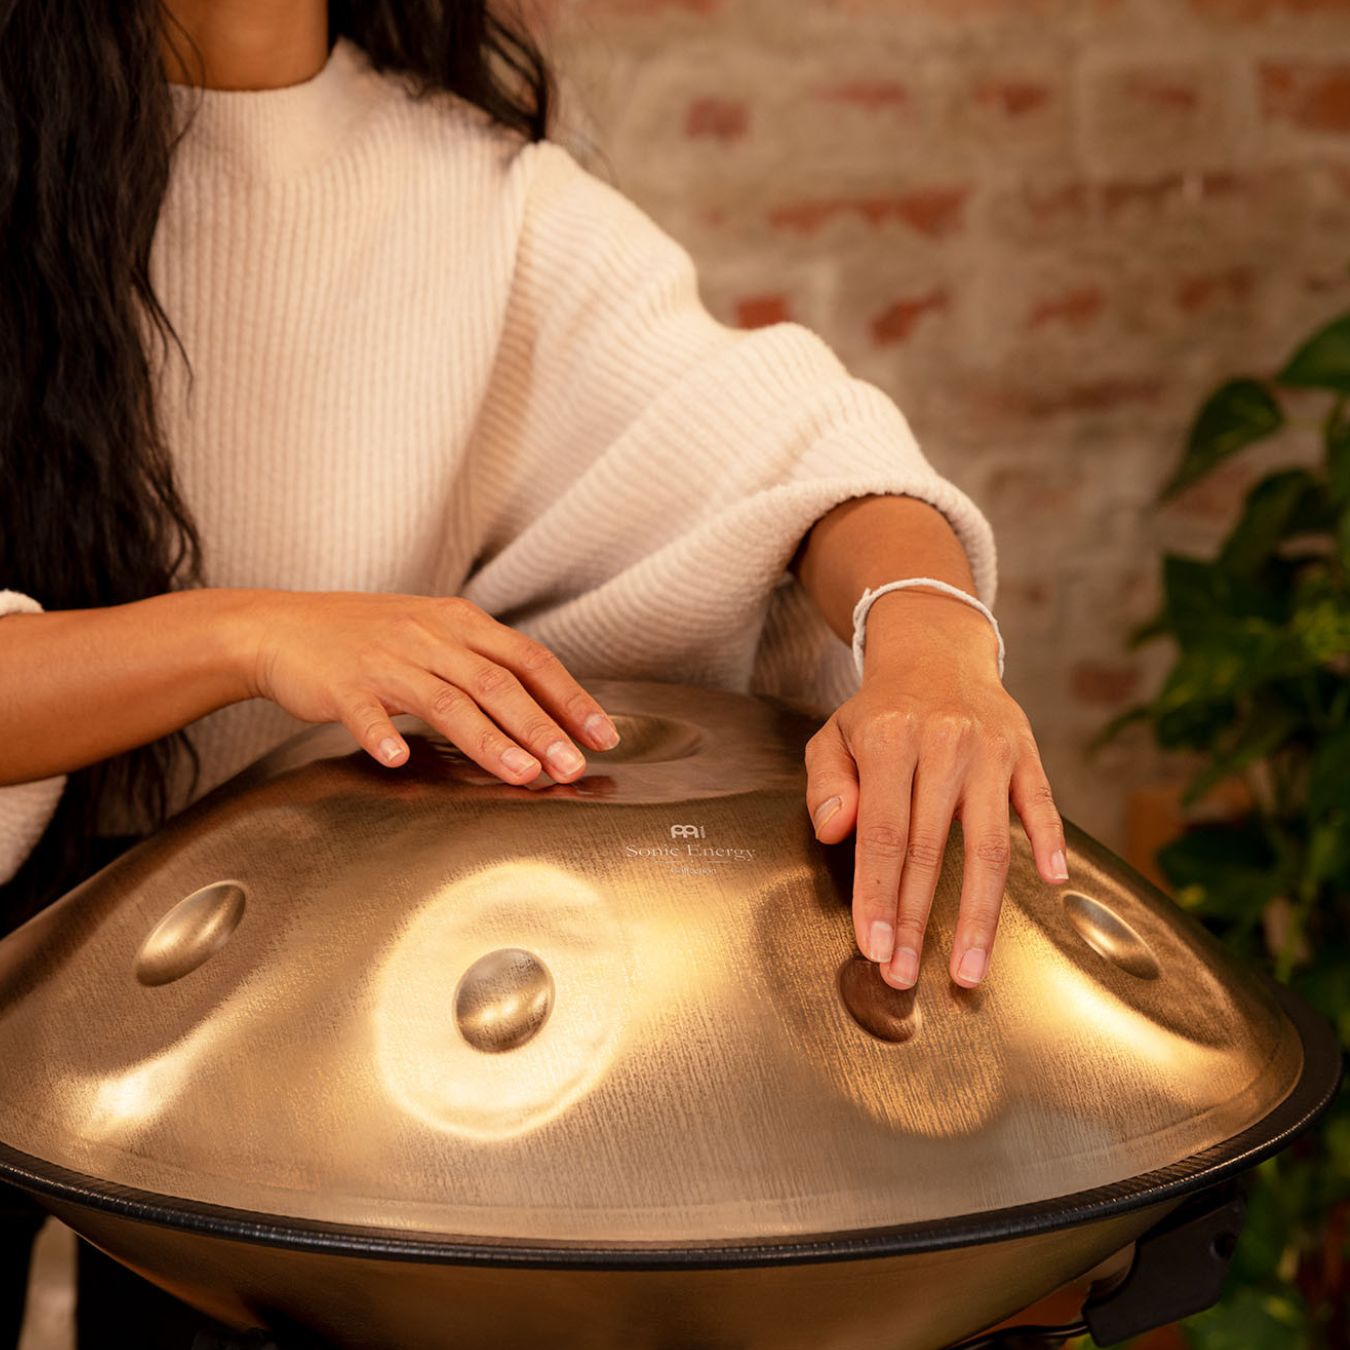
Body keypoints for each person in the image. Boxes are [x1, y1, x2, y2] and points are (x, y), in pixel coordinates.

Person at [0, 1, 1070, 1343]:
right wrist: (252, 633)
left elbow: (796, 447)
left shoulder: (479, 195)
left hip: (242, 1030)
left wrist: (930, 648)